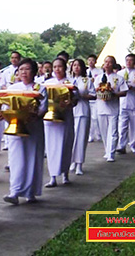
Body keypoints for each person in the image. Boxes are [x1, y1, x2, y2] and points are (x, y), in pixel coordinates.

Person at [0, 58, 47, 205]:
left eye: (27, 69)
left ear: (34, 71)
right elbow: (5, 106)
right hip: (15, 127)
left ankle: (30, 192)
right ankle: (14, 191)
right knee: (16, 159)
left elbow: (43, 109)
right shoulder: (13, 88)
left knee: (32, 158)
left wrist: (32, 117)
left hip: (33, 128)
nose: (24, 72)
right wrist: (5, 115)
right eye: (21, 69)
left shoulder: (40, 88)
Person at [43, 58, 76, 187]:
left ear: (65, 68)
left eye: (60, 67)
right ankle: (52, 177)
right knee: (52, 147)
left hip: (65, 118)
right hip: (50, 120)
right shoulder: (47, 83)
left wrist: (69, 103)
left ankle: (65, 174)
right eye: (55, 67)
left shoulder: (71, 82)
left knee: (65, 145)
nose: (57, 69)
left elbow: (75, 99)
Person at [93, 56, 127, 162]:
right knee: (104, 131)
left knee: (113, 131)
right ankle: (107, 150)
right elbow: (94, 91)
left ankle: (111, 153)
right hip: (101, 107)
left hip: (113, 108)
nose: (107, 64)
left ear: (113, 64)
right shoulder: (98, 78)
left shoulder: (118, 78)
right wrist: (100, 93)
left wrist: (113, 94)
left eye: (110, 62)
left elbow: (124, 91)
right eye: (105, 62)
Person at [70, 59, 95, 175]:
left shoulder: (87, 80)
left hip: (82, 110)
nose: (76, 68)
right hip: (70, 111)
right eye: (74, 65)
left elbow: (93, 95)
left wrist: (81, 95)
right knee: (71, 138)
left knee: (80, 138)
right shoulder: (68, 80)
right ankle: (71, 161)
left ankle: (79, 163)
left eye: (78, 65)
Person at [86, 55, 103, 143]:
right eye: (89, 60)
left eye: (92, 60)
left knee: (95, 117)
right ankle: (90, 135)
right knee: (89, 118)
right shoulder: (85, 71)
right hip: (87, 96)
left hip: (95, 96)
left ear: (95, 62)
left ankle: (98, 134)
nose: (91, 62)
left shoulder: (99, 71)